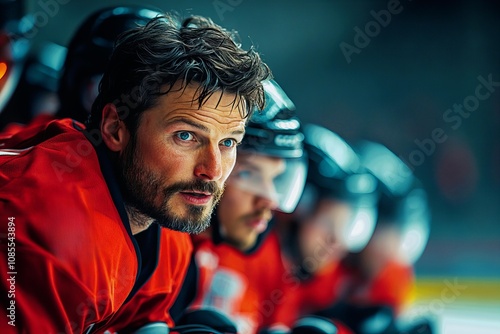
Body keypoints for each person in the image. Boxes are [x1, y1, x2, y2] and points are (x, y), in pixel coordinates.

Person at [0, 12, 271, 333]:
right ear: (115, 128)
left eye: (227, 142)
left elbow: (143, 321)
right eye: (185, 136)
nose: (212, 170)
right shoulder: (50, 227)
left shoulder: (165, 220)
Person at [188, 79, 308, 334]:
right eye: (249, 174)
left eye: (275, 179)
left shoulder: (213, 247)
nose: (270, 200)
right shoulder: (157, 243)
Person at [274, 124, 379, 334]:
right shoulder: (252, 262)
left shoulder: (320, 278)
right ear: (296, 206)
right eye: (327, 222)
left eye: (346, 227)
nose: (337, 241)